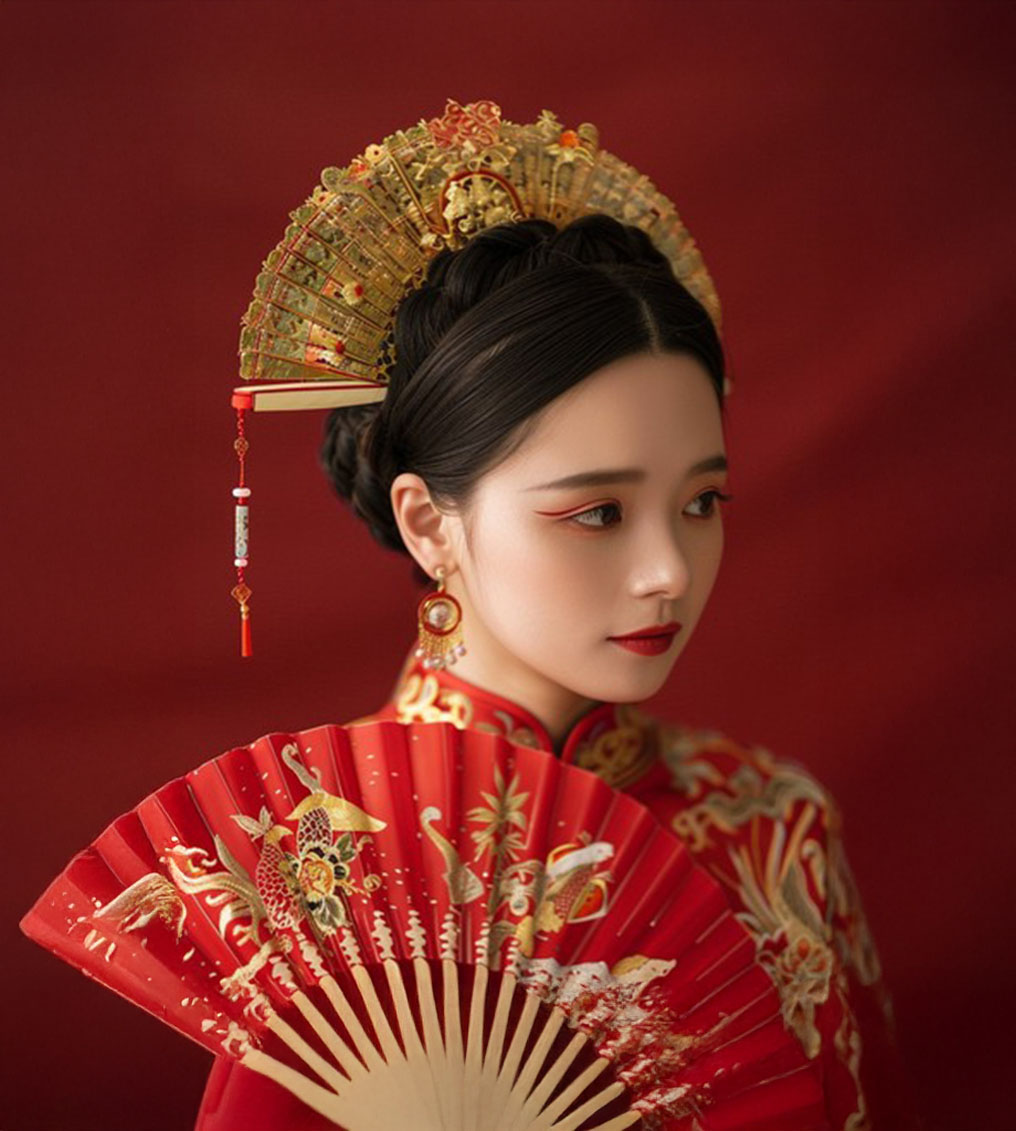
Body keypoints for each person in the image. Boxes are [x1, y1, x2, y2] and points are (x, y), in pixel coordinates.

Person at [195, 101, 919, 1129]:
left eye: (700, 502)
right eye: (597, 513)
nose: (668, 567)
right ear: (429, 524)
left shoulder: (774, 819)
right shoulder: (331, 879)